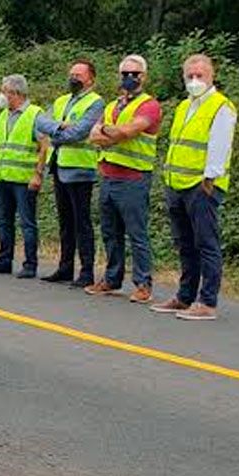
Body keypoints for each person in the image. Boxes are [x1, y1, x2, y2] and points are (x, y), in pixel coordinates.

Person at [151, 54, 237, 321]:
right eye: (190, 76)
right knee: (185, 244)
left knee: (206, 243)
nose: (194, 80)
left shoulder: (220, 106)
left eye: (200, 75)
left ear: (212, 76)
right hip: (177, 183)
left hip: (202, 186)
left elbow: (219, 146)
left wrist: (209, 180)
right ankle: (185, 296)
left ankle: (207, 302)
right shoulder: (183, 106)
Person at [86, 54, 162, 303]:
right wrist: (113, 132)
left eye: (134, 74)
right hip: (108, 175)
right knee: (110, 232)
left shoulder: (149, 105)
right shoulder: (112, 105)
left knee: (136, 233)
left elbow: (129, 131)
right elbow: (93, 136)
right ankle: (112, 278)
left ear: (144, 76)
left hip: (133, 178)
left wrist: (110, 131)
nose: (129, 78)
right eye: (125, 74)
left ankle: (143, 284)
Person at [0, 74, 50, 278]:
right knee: (4, 221)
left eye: (4, 91)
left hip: (24, 179)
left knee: (27, 222)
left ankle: (30, 264)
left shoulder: (35, 114)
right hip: (3, 176)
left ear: (15, 93)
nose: (1, 95)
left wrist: (38, 174)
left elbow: (44, 145)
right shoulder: (4, 115)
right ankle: (4, 260)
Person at [41, 59, 105, 288]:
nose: (73, 78)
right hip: (59, 165)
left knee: (82, 222)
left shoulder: (96, 102)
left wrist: (57, 129)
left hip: (80, 168)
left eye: (79, 74)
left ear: (91, 79)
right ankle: (65, 267)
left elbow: (79, 132)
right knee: (65, 221)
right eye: (71, 74)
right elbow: (40, 122)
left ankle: (86, 271)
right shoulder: (61, 100)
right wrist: (61, 127)